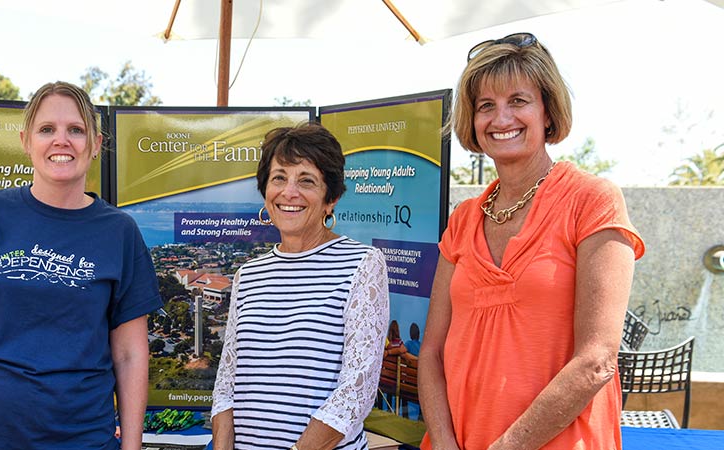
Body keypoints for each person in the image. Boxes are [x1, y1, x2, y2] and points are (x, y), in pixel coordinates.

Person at [419, 33, 645, 450]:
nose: (500, 118)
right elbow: (431, 352)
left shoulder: (592, 200)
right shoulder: (464, 219)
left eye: (518, 101)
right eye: (486, 106)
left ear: (548, 111)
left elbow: (596, 361)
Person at [0, 81, 163, 450]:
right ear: (26, 141)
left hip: (79, 438)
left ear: (95, 145)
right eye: (47, 129)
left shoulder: (119, 232)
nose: (61, 140)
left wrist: (133, 445)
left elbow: (130, 354)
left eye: (75, 130)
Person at [210, 122, 390, 450]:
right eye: (279, 178)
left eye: (306, 180)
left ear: (330, 198)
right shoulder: (248, 275)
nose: (289, 192)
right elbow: (226, 385)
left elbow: (356, 391)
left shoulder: (362, 264)